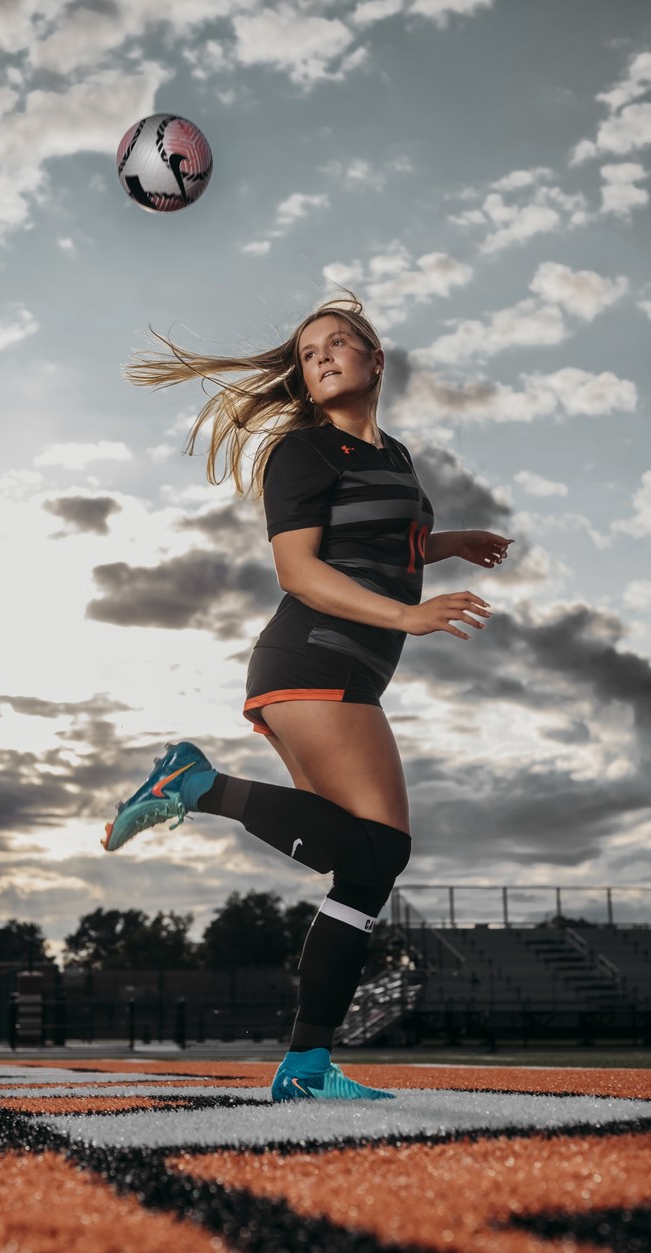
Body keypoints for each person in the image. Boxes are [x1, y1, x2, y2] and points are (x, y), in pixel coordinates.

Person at [102, 294, 513, 1102]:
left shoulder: (392, 455)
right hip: (313, 657)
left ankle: (306, 1067)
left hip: (342, 670)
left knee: (361, 868)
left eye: (338, 343)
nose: (321, 356)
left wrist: (450, 543)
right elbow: (301, 570)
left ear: (374, 359)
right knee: (379, 852)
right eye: (309, 350)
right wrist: (407, 614)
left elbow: (385, 538)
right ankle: (196, 785)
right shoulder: (303, 451)